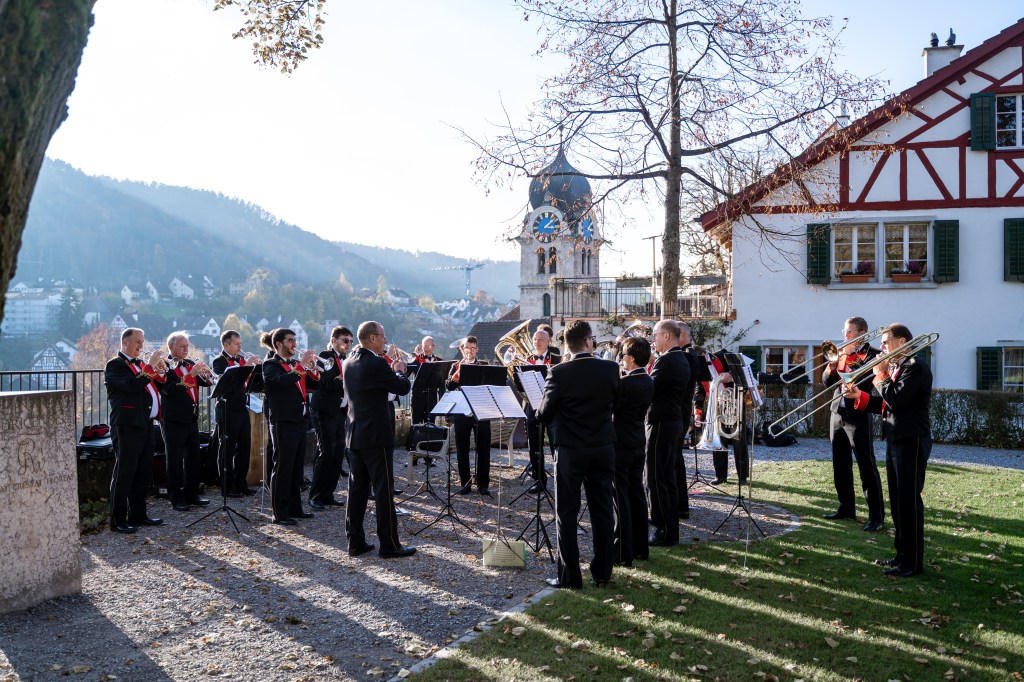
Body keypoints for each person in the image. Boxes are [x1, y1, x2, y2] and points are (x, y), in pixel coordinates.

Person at [845, 323, 932, 577]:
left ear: (901, 341)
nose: (881, 347)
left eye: (885, 342)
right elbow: (887, 405)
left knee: (908, 501)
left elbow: (895, 398)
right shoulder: (899, 366)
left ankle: (912, 563)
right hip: (896, 438)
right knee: (896, 500)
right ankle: (901, 555)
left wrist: (880, 375)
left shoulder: (916, 368)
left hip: (912, 440)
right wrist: (859, 397)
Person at [538, 319, 620, 588]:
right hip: (602, 447)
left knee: (567, 513)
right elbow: (615, 404)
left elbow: (543, 413)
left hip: (571, 450)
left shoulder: (558, 372)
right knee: (603, 511)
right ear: (587, 341)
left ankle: (570, 577)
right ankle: (602, 573)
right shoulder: (611, 368)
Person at [343, 321, 416, 558]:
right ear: (372, 338)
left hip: (355, 433)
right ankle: (389, 544)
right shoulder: (375, 363)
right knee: (383, 490)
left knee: (357, 490)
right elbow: (402, 388)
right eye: (383, 336)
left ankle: (355, 542)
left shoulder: (349, 360)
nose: (385, 340)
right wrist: (399, 370)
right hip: (375, 435)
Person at [823, 316, 885, 532]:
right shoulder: (841, 353)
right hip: (837, 412)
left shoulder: (874, 355)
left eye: (849, 332)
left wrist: (849, 357)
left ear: (861, 334)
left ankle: (876, 516)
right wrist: (833, 365)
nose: (845, 335)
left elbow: (863, 380)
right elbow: (827, 382)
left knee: (866, 465)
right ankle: (846, 507)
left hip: (858, 413)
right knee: (840, 463)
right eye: (844, 331)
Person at [105, 327, 167, 533]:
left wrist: (160, 372)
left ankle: (138, 514)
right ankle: (117, 520)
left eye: (142, 341)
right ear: (126, 342)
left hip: (146, 423)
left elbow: (156, 387)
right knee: (124, 472)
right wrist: (150, 367)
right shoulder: (115, 365)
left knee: (143, 472)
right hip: (127, 424)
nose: (141, 345)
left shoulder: (140, 364)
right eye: (137, 341)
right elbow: (132, 385)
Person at [261, 328, 321, 526]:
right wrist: (301, 366)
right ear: (278, 344)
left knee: (296, 467)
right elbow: (278, 382)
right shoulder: (270, 364)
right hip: (283, 420)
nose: (294, 344)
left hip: (299, 419)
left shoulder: (295, 364)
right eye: (290, 341)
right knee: (283, 466)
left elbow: (314, 385)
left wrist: (313, 369)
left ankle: (295, 508)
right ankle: (279, 512)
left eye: (295, 340)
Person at [646, 319, 690, 545]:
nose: (652, 340)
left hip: (661, 423)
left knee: (655, 478)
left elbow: (649, 390)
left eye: (654, 335)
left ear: (666, 336)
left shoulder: (666, 361)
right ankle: (670, 530)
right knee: (668, 477)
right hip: (672, 422)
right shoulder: (680, 358)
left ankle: (662, 530)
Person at [158, 331, 212, 512]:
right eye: (182, 346)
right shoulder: (164, 365)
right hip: (173, 419)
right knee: (174, 460)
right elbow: (169, 390)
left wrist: (206, 374)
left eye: (187, 346)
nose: (186, 349)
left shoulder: (189, 363)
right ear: (171, 347)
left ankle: (192, 494)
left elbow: (205, 383)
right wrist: (191, 374)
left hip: (191, 417)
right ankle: (176, 498)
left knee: (194, 458)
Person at [612, 336, 653, 566]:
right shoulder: (647, 380)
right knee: (637, 493)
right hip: (638, 440)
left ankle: (622, 551)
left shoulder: (626, 383)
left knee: (620, 496)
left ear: (632, 358)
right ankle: (640, 547)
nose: (621, 358)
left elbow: (612, 406)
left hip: (621, 443)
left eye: (624, 355)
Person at [308, 326, 353, 510]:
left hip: (340, 411)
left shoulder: (347, 359)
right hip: (324, 410)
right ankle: (315, 495)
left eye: (350, 341)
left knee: (337, 454)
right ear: (334, 340)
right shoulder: (325, 356)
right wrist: (348, 378)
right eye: (345, 340)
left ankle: (328, 494)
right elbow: (327, 381)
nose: (348, 344)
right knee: (325, 452)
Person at [211, 330, 259, 497]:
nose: (240, 346)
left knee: (245, 446)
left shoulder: (241, 359)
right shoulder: (219, 361)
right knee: (227, 448)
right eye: (237, 344)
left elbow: (247, 384)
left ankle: (240, 483)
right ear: (226, 344)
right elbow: (226, 384)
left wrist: (253, 369)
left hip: (241, 407)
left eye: (240, 343)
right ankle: (227, 486)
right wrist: (245, 368)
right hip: (227, 408)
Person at [693, 348, 750, 486]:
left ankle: (742, 476)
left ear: (703, 355)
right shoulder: (699, 367)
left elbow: (745, 376)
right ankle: (720, 475)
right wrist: (697, 413)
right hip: (716, 405)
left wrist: (731, 376)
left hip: (735, 403)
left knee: (738, 440)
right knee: (718, 440)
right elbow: (699, 392)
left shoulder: (724, 356)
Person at [445, 336, 492, 496]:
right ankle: (465, 483)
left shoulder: (484, 366)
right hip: (462, 412)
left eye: (473, 348)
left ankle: (483, 485)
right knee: (462, 449)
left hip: (481, 411)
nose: (470, 351)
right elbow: (449, 386)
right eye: (467, 348)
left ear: (477, 349)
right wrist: (458, 373)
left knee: (483, 449)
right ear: (464, 349)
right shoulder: (456, 366)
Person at [524, 327, 560, 492]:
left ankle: (560, 480)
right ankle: (539, 480)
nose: (537, 342)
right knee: (534, 446)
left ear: (548, 342)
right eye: (535, 339)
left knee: (555, 443)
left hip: (552, 407)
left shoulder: (557, 359)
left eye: (541, 339)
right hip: (533, 406)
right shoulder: (527, 360)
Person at [673, 322, 701, 513]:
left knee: (675, 459)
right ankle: (680, 504)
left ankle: (680, 504)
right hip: (681, 411)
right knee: (676, 458)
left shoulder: (686, 355)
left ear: (682, 335)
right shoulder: (687, 353)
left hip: (679, 412)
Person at [407, 335, 443, 465]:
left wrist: (442, 400)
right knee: (415, 426)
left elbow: (442, 384)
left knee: (430, 426)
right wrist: (414, 357)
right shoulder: (416, 359)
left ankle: (429, 457)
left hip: (432, 398)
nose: (426, 349)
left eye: (428, 346)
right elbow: (406, 372)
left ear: (433, 346)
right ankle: (414, 457)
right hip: (417, 398)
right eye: (424, 346)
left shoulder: (439, 362)